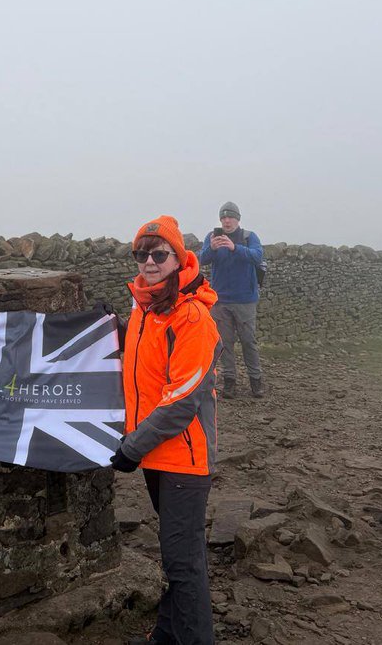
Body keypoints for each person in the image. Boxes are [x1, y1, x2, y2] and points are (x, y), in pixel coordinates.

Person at [110, 215, 219, 645]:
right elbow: (140, 362)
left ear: (178, 258)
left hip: (184, 461)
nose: (149, 262)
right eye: (142, 254)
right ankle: (168, 636)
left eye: (159, 254)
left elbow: (179, 403)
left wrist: (130, 448)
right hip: (159, 456)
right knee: (180, 558)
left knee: (183, 564)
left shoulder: (192, 318)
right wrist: (109, 328)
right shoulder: (146, 307)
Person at [198, 201, 265, 398]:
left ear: (238, 219)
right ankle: (230, 382)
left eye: (230, 217)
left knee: (248, 341)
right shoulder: (212, 237)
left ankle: (256, 381)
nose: (227, 221)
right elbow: (202, 259)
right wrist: (211, 248)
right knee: (224, 343)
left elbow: (258, 256)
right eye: (223, 217)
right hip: (220, 301)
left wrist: (235, 248)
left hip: (245, 300)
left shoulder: (248, 237)